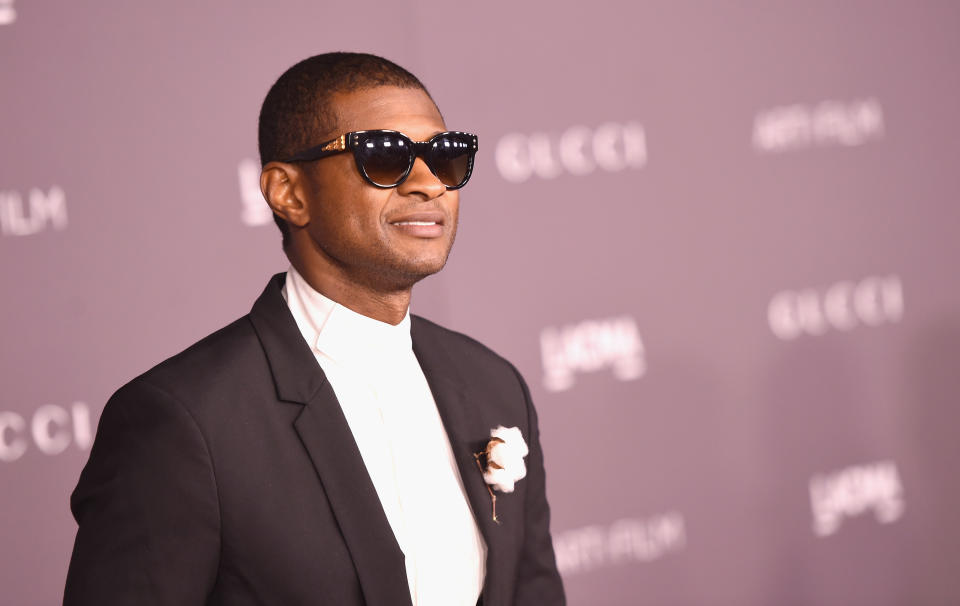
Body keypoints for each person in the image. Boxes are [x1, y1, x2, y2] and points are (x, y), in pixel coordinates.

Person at [63, 52, 565, 606]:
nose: (428, 184)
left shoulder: (494, 383)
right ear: (288, 192)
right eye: (385, 155)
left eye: (445, 156)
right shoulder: (183, 422)